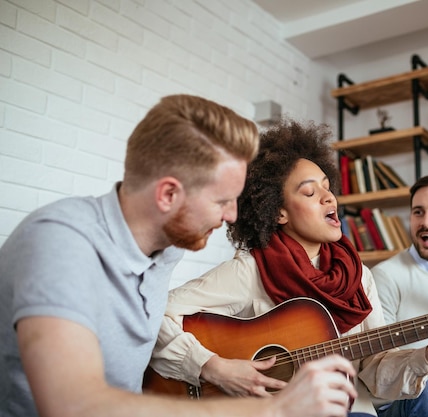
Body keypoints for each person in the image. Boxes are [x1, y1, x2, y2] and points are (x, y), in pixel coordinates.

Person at [0, 94, 372, 417]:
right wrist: (274, 408)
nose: (231, 215)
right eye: (222, 201)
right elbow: (72, 407)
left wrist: (210, 366)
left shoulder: (164, 250)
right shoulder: (61, 244)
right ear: (167, 195)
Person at [148, 119, 428, 414]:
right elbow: (155, 315)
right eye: (309, 192)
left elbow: (376, 372)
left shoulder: (358, 275)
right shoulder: (252, 269)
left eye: (327, 187)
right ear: (278, 211)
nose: (329, 196)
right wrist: (214, 367)